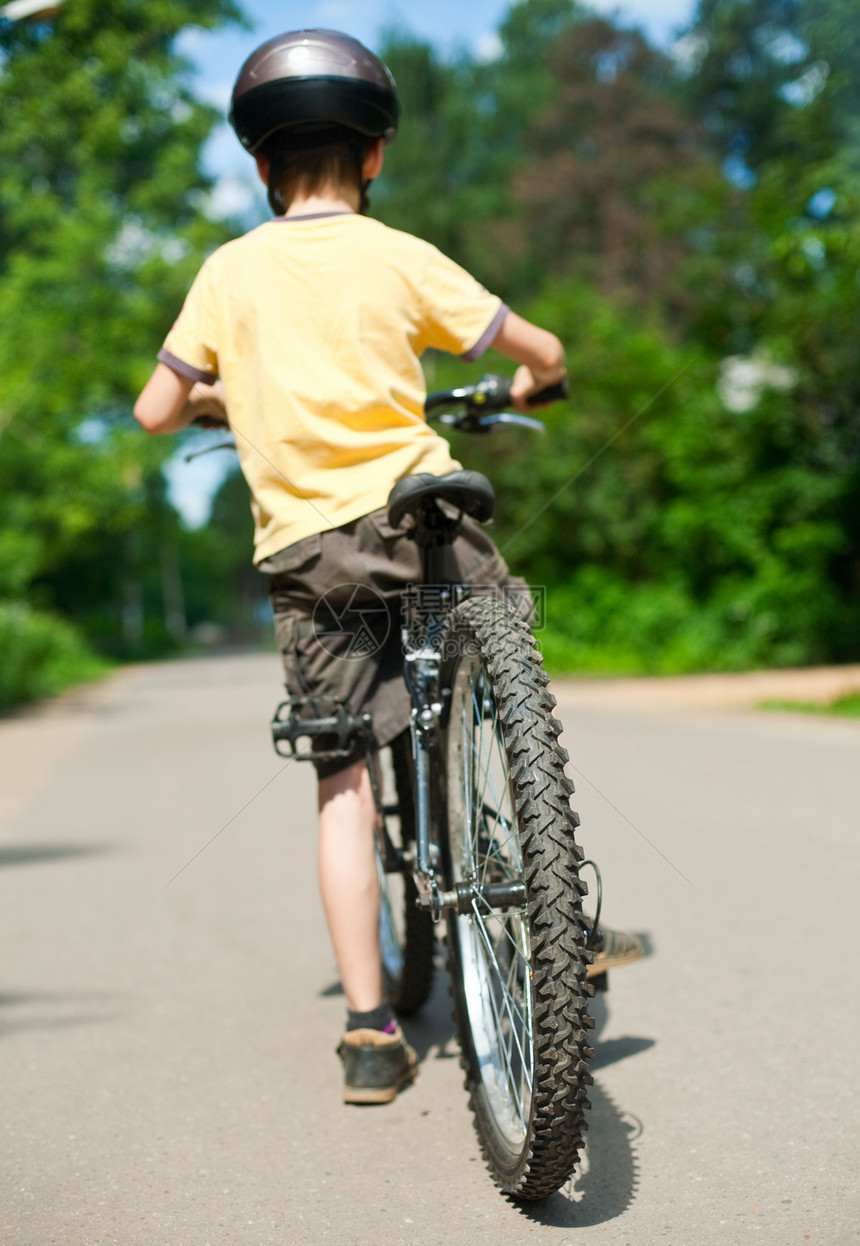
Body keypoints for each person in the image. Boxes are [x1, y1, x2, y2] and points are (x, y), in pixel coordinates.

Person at [135, 29, 642, 1105]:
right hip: (422, 513)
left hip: (310, 549)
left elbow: (154, 408)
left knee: (341, 785)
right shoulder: (400, 254)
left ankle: (369, 1033)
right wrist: (521, 393)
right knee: (501, 662)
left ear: (263, 165)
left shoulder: (228, 271)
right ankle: (557, 902)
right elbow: (541, 352)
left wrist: (231, 395)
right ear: (374, 157)